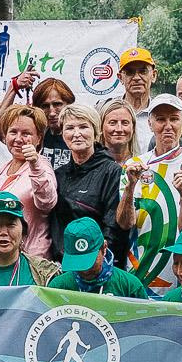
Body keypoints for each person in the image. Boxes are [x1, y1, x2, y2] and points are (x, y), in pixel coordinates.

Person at [121, 94, 182, 295]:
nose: (168, 126)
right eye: (161, 119)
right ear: (150, 123)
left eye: (174, 119)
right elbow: (125, 223)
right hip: (142, 265)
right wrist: (129, 188)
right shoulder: (134, 165)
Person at [50, 106, 130, 259]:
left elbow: (113, 227)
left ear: (96, 132)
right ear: (62, 134)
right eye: (70, 128)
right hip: (62, 263)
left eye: (83, 127)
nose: (77, 134)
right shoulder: (58, 174)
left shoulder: (112, 171)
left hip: (97, 262)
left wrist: (100, 260)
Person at [0, 103, 58, 258]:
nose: (18, 139)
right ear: (5, 136)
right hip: (2, 258)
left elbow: (47, 203)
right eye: (13, 132)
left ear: (38, 138)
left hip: (31, 260)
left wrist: (35, 164)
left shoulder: (41, 165)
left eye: (26, 133)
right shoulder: (4, 168)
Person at [49, 218, 148, 298]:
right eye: (78, 263)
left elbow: (148, 321)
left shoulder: (130, 287)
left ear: (104, 248)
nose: (85, 270)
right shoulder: (58, 288)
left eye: (90, 261)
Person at [114, 46, 156, 119]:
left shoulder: (160, 111)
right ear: (120, 78)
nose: (136, 78)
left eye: (143, 71)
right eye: (130, 72)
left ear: (153, 75)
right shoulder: (109, 111)